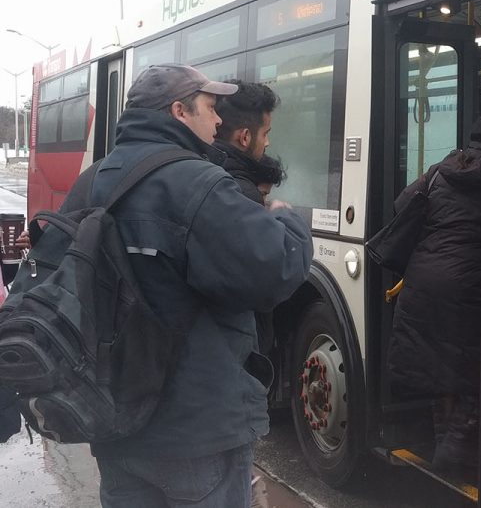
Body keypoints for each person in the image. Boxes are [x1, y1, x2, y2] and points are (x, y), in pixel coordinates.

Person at [84, 64, 313, 508]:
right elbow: (274, 270)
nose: (219, 120)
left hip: (113, 424)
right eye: (210, 108)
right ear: (179, 112)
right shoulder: (197, 184)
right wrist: (287, 219)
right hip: (194, 431)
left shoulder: (92, 181)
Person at [386, 116, 481, 477]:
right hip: (466, 286)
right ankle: (455, 448)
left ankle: (443, 437)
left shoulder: (443, 169)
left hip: (422, 281)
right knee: (476, 365)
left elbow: (402, 204)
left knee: (438, 364)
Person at [213, 79, 280, 205]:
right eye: (265, 134)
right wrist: (283, 212)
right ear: (245, 137)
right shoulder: (245, 196)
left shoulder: (198, 171)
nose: (267, 143)